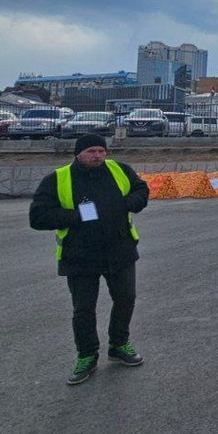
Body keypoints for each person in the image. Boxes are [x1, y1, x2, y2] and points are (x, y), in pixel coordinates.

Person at [29, 133, 150, 385]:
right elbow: (38, 217)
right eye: (91, 152)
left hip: (119, 250)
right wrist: (76, 216)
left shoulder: (119, 170)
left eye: (101, 151)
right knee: (84, 309)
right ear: (78, 154)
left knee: (126, 299)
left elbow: (141, 189)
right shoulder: (58, 179)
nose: (97, 156)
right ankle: (86, 355)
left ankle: (119, 343)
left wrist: (131, 203)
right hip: (80, 255)